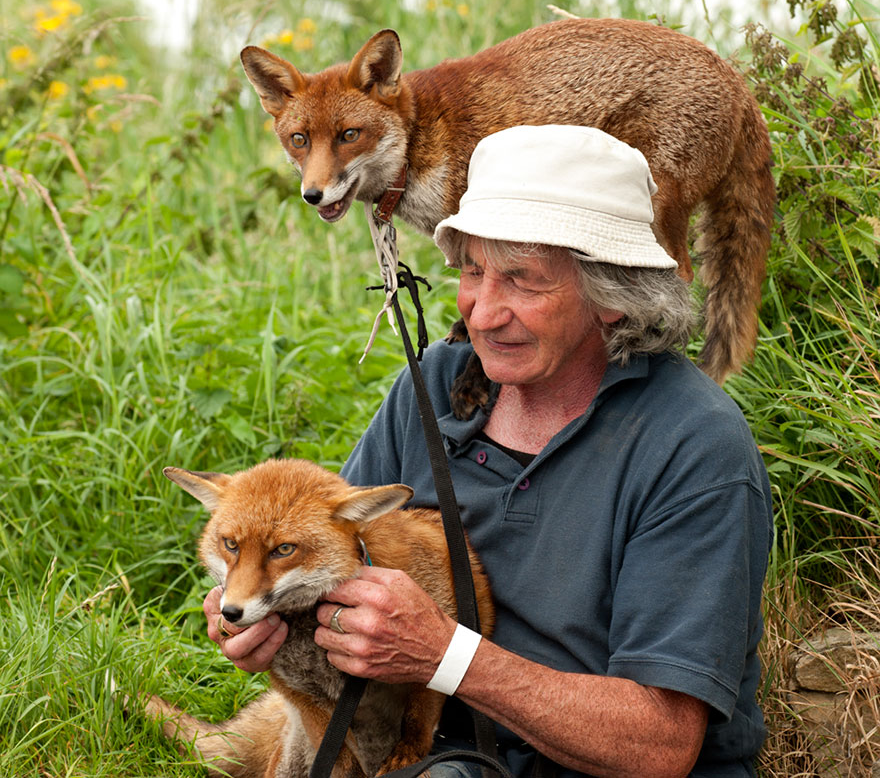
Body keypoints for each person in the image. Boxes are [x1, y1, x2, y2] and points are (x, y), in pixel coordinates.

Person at [203, 125, 774, 778]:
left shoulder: (693, 449)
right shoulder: (436, 386)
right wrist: (262, 618)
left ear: (612, 299)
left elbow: (658, 744)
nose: (481, 312)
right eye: (474, 270)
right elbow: (332, 559)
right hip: (433, 753)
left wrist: (444, 656)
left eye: (522, 281)